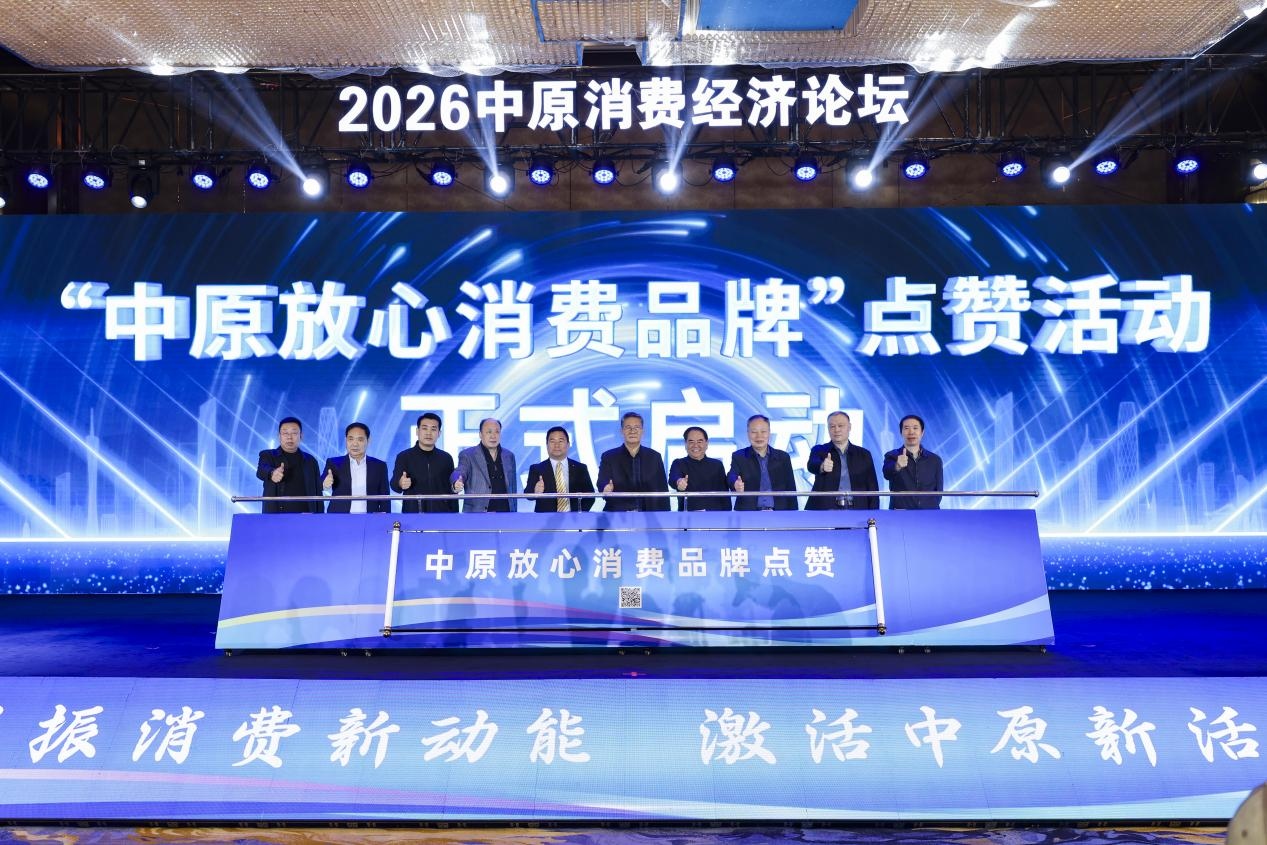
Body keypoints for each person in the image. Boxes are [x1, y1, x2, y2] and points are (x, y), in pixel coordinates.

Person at [596, 411, 670, 512]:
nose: (632, 431)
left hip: (649, 514)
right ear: (622, 431)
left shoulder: (654, 456)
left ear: (642, 431)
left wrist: (665, 516)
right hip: (618, 514)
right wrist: (605, 488)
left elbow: (662, 490)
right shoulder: (609, 456)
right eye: (628, 427)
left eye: (636, 427)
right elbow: (602, 482)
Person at [806, 411, 879, 510]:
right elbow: (812, 465)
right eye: (832, 426)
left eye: (840, 426)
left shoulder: (863, 454)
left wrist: (874, 512)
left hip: (858, 509)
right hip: (826, 510)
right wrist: (822, 466)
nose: (836, 430)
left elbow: (872, 486)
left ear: (849, 427)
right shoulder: (819, 450)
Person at [390, 412, 458, 514]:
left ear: (439, 433)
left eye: (433, 429)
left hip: (441, 514)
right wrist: (400, 483)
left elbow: (451, 491)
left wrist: (455, 516)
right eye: (424, 428)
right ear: (417, 431)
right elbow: (394, 484)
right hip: (413, 514)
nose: (428, 433)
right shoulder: (404, 456)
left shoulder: (446, 458)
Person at [728, 414, 798, 511]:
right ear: (748, 433)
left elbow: (791, 489)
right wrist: (735, 484)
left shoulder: (783, 457)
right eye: (754, 432)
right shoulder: (739, 456)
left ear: (769, 433)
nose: (759, 436)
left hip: (779, 513)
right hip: (748, 513)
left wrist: (794, 514)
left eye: (763, 431)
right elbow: (732, 475)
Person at [255, 416, 323, 514]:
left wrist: (320, 517)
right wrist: (272, 473)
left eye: (294, 433)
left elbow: (318, 492)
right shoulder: (268, 455)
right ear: (279, 436)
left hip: (306, 517)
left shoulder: (311, 461)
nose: (289, 437)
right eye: (285, 433)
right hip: (276, 516)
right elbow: (261, 470)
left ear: (301, 436)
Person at [451, 417, 518, 513]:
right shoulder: (468, 455)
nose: (493, 436)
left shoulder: (509, 456)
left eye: (497, 432)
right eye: (489, 432)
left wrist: (514, 512)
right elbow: (459, 471)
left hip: (505, 512)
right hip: (478, 514)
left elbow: (513, 488)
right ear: (480, 434)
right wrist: (456, 481)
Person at [524, 426, 596, 513]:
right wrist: (535, 492)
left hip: (574, 518)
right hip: (545, 519)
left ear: (568, 445)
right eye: (552, 441)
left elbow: (590, 496)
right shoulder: (536, 469)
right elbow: (527, 494)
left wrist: (578, 514)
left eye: (561, 441)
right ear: (547, 445)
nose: (557, 445)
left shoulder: (580, 468)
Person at [323, 422, 390, 514]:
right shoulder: (334, 463)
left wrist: (386, 519)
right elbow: (320, 483)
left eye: (360, 439)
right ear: (346, 440)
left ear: (368, 440)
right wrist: (325, 484)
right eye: (350, 439)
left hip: (369, 518)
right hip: (339, 517)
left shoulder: (379, 466)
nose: (355, 444)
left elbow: (385, 498)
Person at [882, 414, 943, 509]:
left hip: (929, 513)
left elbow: (938, 491)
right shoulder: (892, 456)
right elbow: (887, 474)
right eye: (906, 428)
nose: (911, 432)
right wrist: (897, 466)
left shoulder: (935, 460)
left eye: (915, 428)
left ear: (922, 432)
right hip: (900, 512)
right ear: (901, 432)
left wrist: (929, 507)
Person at [668, 426, 732, 511]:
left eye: (699, 441)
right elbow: (673, 478)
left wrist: (728, 513)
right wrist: (679, 482)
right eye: (691, 442)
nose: (695, 445)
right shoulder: (678, 463)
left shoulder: (717, 465)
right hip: (688, 514)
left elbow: (724, 494)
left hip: (715, 515)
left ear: (707, 443)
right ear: (685, 444)